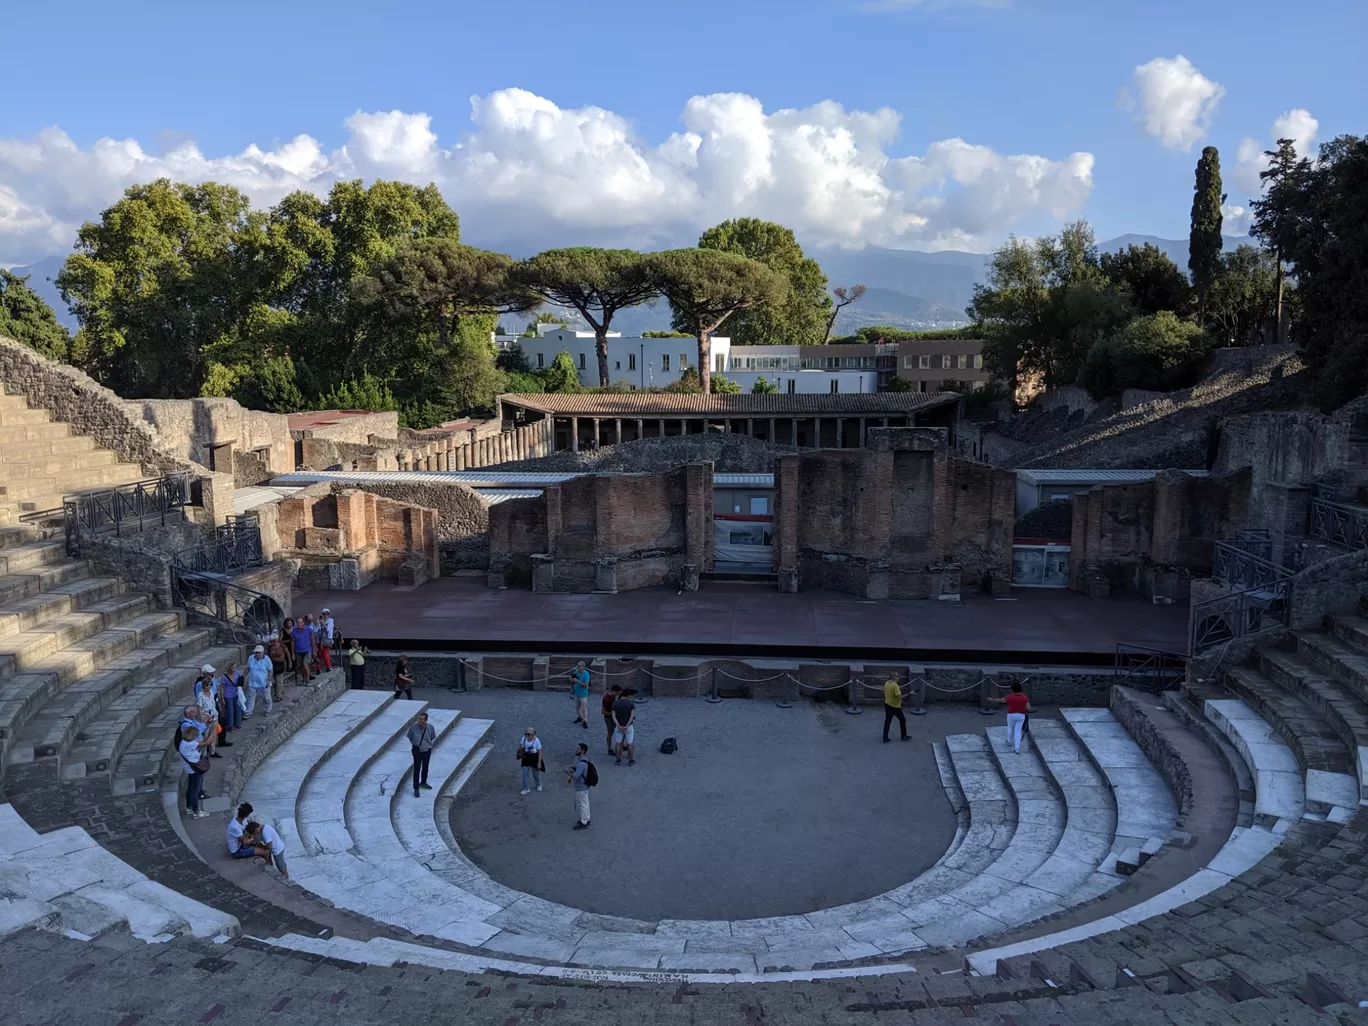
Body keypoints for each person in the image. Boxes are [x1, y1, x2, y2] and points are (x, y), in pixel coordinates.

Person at [991, 682, 1034, 754]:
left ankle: (1009, 741)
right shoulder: (1024, 697)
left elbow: (1001, 700)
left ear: (1013, 689)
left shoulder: (1010, 697)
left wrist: (992, 699)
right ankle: (1017, 748)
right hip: (1021, 715)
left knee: (1011, 728)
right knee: (1018, 731)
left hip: (1011, 715)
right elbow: (1029, 708)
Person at [178, 725, 210, 819]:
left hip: (190, 768)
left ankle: (189, 807)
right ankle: (196, 812)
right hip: (195, 769)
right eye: (195, 734)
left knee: (191, 788)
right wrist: (213, 731)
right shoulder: (189, 744)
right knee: (194, 791)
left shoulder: (184, 742)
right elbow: (206, 742)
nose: (196, 736)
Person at [408, 711, 436, 798]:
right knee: (417, 769)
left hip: (427, 751)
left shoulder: (430, 728)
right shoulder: (413, 728)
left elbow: (432, 737)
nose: (419, 720)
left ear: (425, 720)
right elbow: (410, 737)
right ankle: (416, 788)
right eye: (419, 718)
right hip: (417, 752)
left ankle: (423, 783)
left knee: (425, 767)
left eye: (421, 719)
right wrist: (416, 744)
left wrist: (426, 745)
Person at [196, 675, 222, 759]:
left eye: (210, 684)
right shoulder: (200, 695)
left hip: (214, 716)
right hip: (205, 718)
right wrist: (202, 720)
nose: (209, 686)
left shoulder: (211, 693)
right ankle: (203, 754)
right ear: (203, 686)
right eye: (207, 685)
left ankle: (212, 751)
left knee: (213, 735)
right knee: (206, 736)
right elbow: (200, 708)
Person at [244, 645, 274, 717]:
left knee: (267, 698)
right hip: (253, 682)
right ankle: (248, 712)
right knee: (250, 698)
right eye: (256, 652)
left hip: (263, 683)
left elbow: (270, 671)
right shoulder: (251, 658)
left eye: (258, 653)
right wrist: (242, 677)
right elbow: (247, 668)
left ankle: (267, 710)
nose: (257, 654)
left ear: (262, 653)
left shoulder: (267, 660)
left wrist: (268, 680)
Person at [567, 742, 591, 830]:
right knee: (585, 803)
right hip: (583, 786)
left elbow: (575, 776)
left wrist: (567, 772)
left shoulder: (581, 763)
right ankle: (586, 818)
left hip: (581, 787)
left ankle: (584, 822)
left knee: (582, 804)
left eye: (578, 749)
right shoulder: (582, 759)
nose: (576, 750)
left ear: (582, 751)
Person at [611, 688, 637, 766]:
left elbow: (613, 716)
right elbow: (632, 716)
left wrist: (618, 725)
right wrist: (627, 725)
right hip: (628, 727)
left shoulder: (615, 703)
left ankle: (618, 759)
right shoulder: (631, 703)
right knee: (630, 743)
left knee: (618, 743)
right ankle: (630, 760)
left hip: (619, 726)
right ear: (628, 695)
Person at [517, 727, 544, 795]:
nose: (527, 735)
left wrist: (539, 762)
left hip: (534, 757)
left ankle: (539, 784)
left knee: (535, 773)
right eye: (526, 734)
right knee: (525, 773)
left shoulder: (536, 740)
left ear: (533, 734)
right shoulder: (524, 738)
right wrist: (521, 747)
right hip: (525, 757)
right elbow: (520, 746)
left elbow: (540, 751)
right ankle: (526, 788)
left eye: (529, 734)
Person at [882, 678, 910, 744]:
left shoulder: (887, 683)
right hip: (895, 707)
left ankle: (885, 738)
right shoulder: (895, 686)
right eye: (897, 676)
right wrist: (909, 693)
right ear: (894, 678)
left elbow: (884, 691)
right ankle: (904, 736)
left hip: (887, 704)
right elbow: (899, 697)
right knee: (902, 720)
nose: (899, 677)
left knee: (887, 722)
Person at [220, 664, 242, 735]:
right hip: (227, 695)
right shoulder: (224, 677)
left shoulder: (237, 673)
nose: (234, 670)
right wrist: (222, 697)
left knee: (237, 708)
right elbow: (222, 687)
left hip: (236, 693)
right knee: (230, 710)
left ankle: (237, 723)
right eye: (233, 669)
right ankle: (230, 725)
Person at [291, 616, 314, 684]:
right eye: (298, 622)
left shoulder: (309, 629)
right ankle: (304, 678)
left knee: (305, 664)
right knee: (300, 666)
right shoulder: (294, 631)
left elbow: (312, 639)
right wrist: (292, 653)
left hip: (307, 650)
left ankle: (307, 679)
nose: (299, 624)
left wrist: (314, 649)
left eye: (300, 622)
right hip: (298, 651)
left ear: (303, 622)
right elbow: (292, 642)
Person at [601, 683, 622, 757]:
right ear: (613, 691)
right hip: (609, 718)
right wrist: (612, 714)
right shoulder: (606, 698)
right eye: (617, 692)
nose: (618, 694)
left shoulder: (617, 697)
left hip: (616, 717)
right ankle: (609, 748)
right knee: (610, 732)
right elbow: (603, 711)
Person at [570, 661, 591, 728]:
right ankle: (580, 717)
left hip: (583, 694)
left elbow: (585, 685)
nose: (577, 667)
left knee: (584, 708)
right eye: (577, 665)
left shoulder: (586, 674)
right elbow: (572, 679)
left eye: (579, 666)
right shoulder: (576, 672)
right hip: (576, 693)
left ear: (583, 667)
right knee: (577, 708)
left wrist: (577, 681)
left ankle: (585, 721)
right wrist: (571, 679)